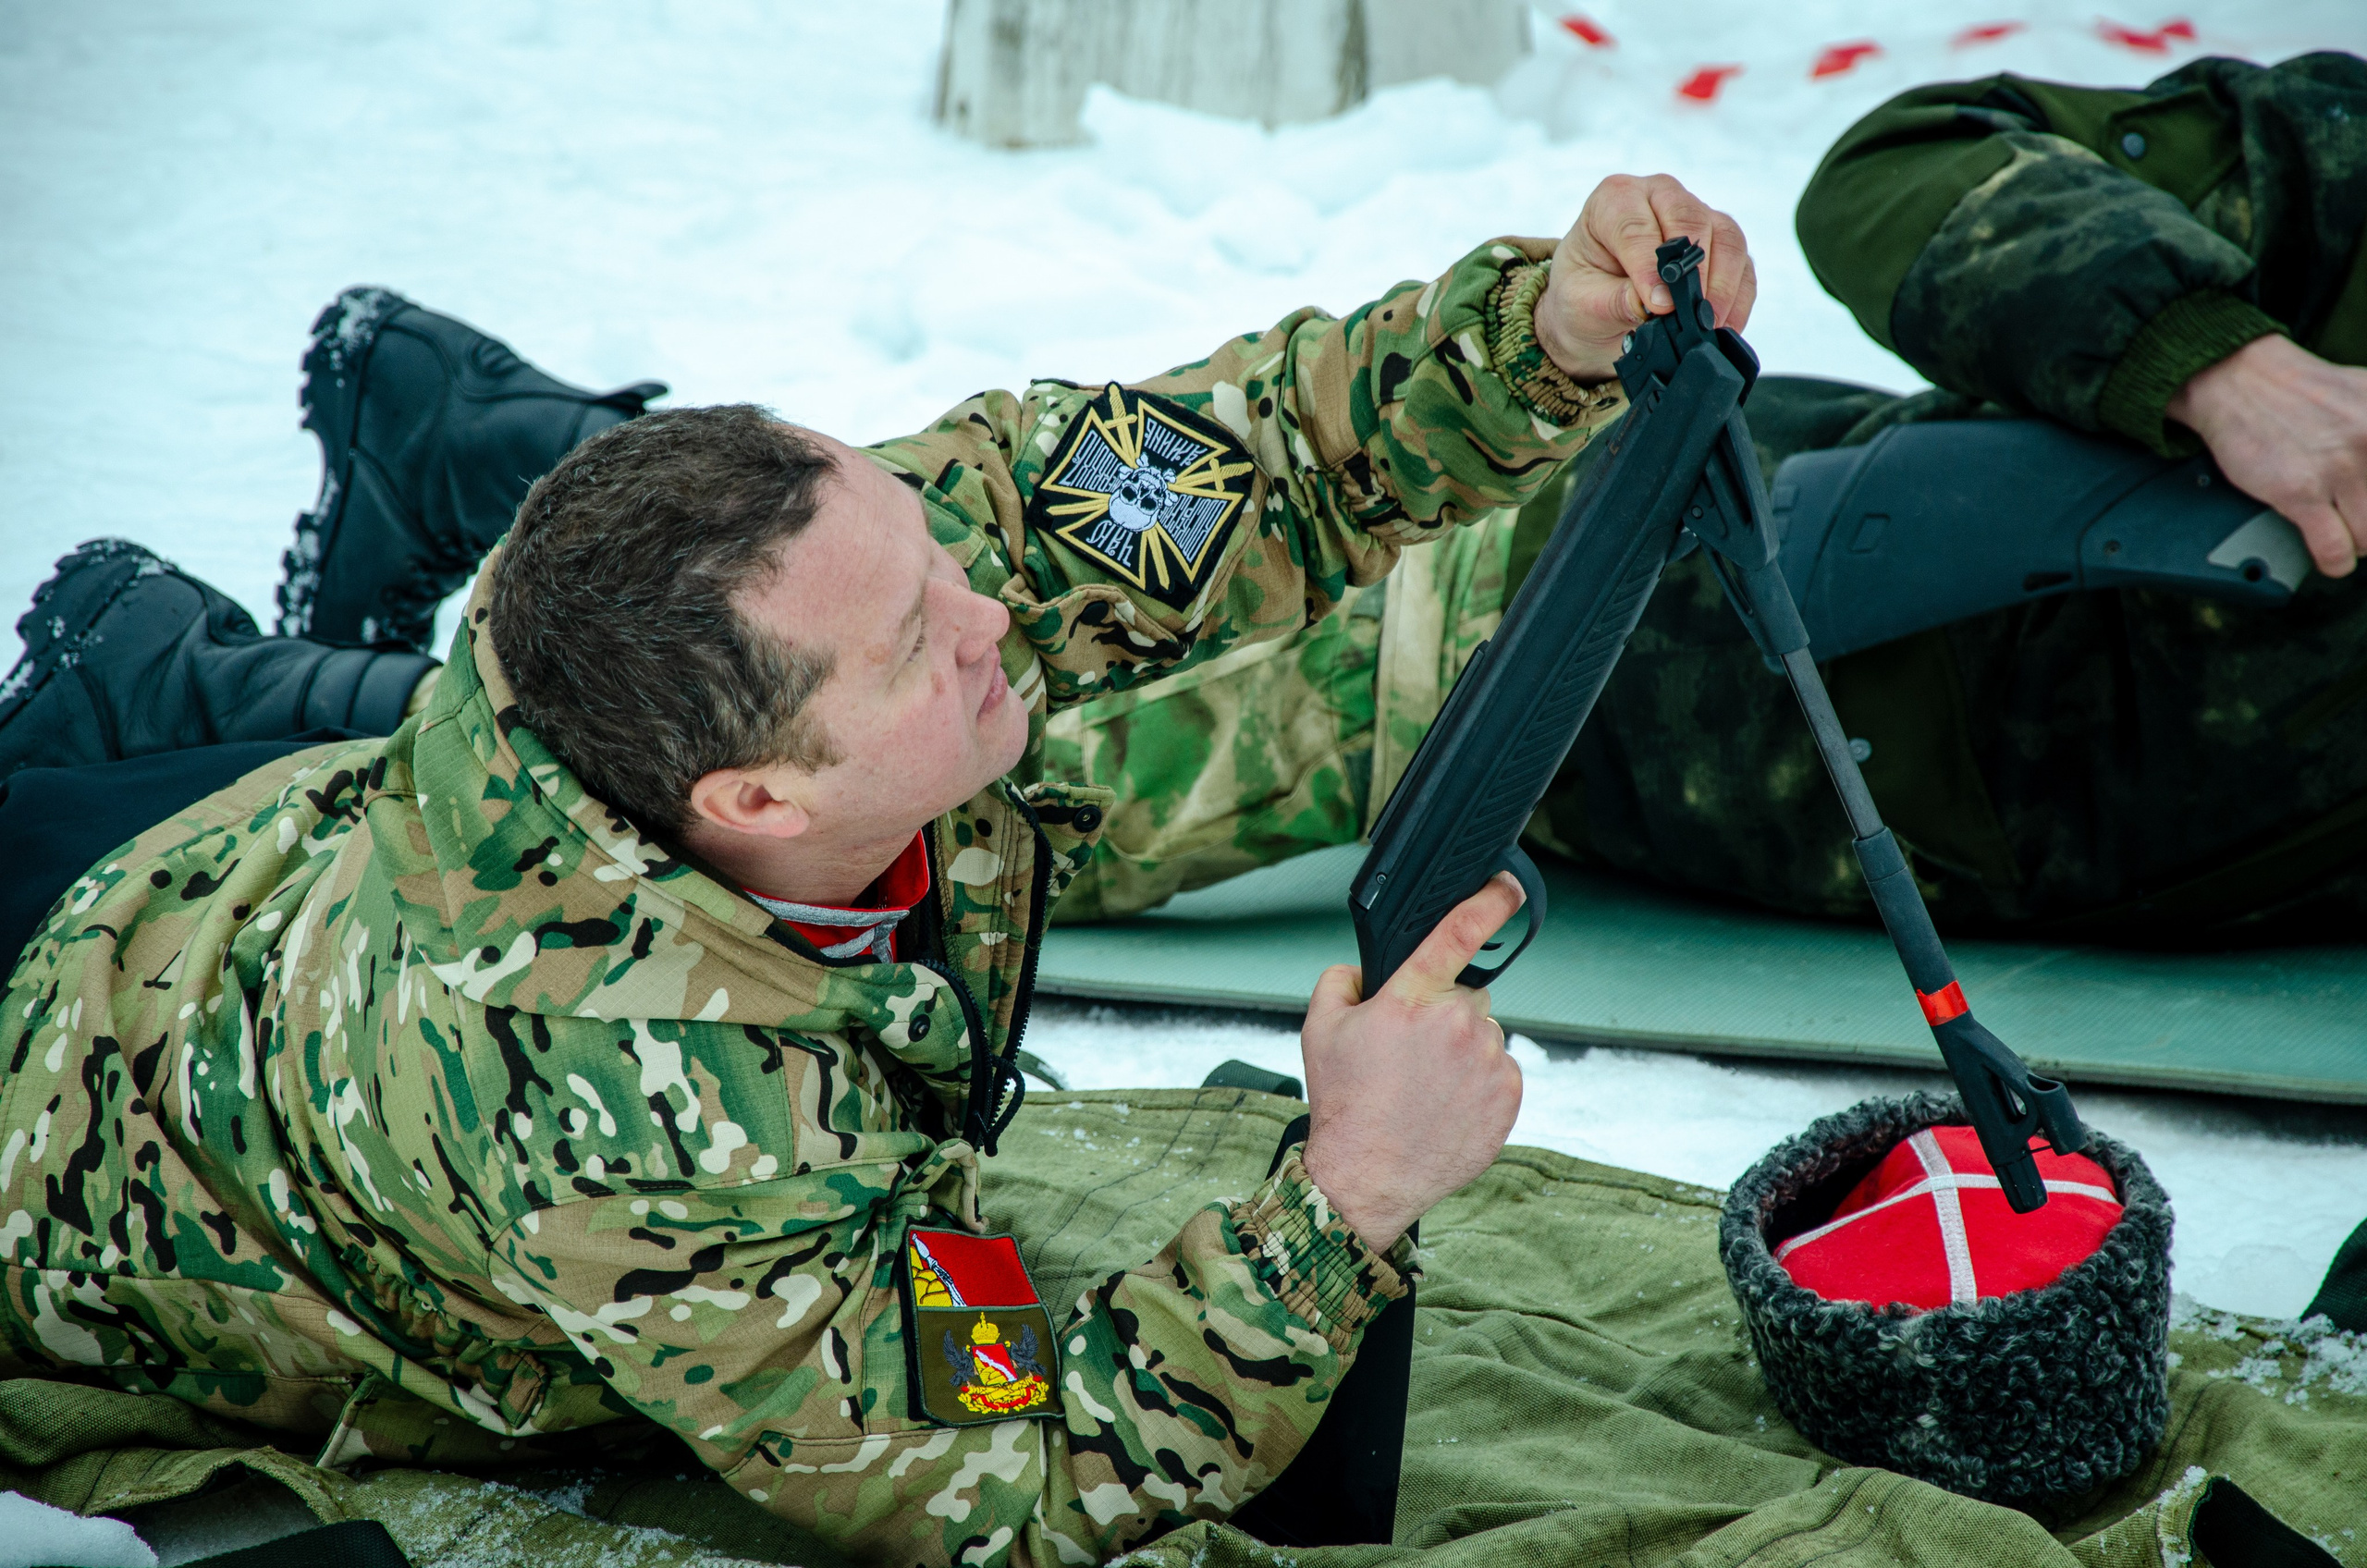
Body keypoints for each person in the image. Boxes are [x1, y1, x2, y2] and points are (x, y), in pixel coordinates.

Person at [0, 177, 1754, 1565]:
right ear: (753, 797)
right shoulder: (641, 1111)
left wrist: (1540, 333)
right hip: (93, 1161)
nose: (997, 613)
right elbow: (1011, 1488)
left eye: (933, 559)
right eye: (924, 642)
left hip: (204, 910)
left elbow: (1241, 467)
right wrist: (1345, 1204)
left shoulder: (822, 590)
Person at [1043, 50, 2367, 943]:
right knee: (934, 749)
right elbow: (1903, 170)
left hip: (1638, 761)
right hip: (1515, 603)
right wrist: (2219, 366)